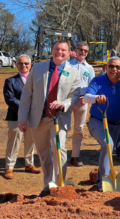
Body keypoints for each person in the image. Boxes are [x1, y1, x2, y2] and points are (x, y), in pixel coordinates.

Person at [18, 40, 81, 196]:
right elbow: (27, 93)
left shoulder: (74, 72)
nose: (59, 52)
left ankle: (60, 185)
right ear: (52, 50)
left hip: (59, 117)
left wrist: (64, 103)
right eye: (57, 49)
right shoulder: (38, 68)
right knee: (44, 153)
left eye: (63, 50)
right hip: (37, 118)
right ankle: (48, 185)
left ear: (68, 53)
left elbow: (75, 96)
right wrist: (22, 118)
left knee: (58, 148)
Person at [84, 56, 120, 191]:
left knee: (108, 149)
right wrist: (96, 98)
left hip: (117, 124)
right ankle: (104, 183)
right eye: (111, 66)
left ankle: (101, 180)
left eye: (117, 67)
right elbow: (87, 97)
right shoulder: (98, 81)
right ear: (106, 68)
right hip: (97, 121)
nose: (114, 69)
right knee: (108, 144)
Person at [3, 54, 41, 179]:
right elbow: (10, 99)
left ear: (30, 65)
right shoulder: (10, 81)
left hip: (33, 117)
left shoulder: (37, 80)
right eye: (20, 63)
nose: (23, 65)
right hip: (16, 116)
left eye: (26, 63)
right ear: (16, 65)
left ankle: (29, 164)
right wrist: (26, 108)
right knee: (14, 142)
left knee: (31, 141)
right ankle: (9, 167)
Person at [68, 42, 95, 167]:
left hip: (82, 102)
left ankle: (75, 156)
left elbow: (92, 86)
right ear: (76, 50)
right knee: (63, 129)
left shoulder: (89, 68)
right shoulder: (67, 64)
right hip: (67, 101)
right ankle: (59, 155)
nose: (83, 53)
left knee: (78, 130)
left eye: (86, 51)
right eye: (81, 50)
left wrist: (86, 98)